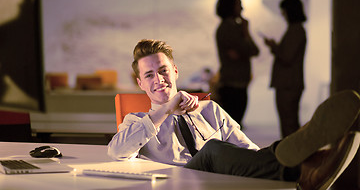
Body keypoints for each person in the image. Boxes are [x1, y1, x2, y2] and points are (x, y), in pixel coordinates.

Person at [108, 39, 360, 190]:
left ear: (175, 71)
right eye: (149, 75)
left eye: (163, 71)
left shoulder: (209, 109)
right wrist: (167, 107)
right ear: (140, 83)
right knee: (212, 150)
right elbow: (117, 151)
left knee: (252, 153)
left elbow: (248, 152)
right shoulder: (137, 122)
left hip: (223, 181)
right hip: (180, 182)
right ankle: (307, 167)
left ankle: (304, 161)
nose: (159, 79)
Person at [263, 0, 307, 138]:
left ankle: (292, 158)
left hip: (288, 84)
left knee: (289, 124)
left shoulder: (296, 30)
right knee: (289, 122)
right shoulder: (296, 30)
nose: (283, 15)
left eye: (284, 11)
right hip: (290, 83)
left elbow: (287, 57)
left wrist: (275, 47)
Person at [215, 0, 259, 127]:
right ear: (230, 6)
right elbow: (250, 50)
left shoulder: (234, 27)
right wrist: (245, 33)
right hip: (232, 84)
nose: (242, 7)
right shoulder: (228, 29)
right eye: (238, 3)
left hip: (238, 83)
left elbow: (253, 51)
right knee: (233, 127)